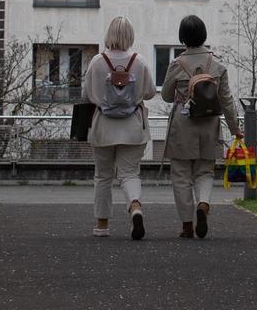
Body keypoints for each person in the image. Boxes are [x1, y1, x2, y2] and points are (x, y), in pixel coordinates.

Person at [160, 15, 241, 239]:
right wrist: (235, 129)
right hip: (209, 125)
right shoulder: (217, 65)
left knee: (181, 175)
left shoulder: (176, 64)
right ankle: (203, 205)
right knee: (205, 171)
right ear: (204, 34)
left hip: (182, 126)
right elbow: (226, 101)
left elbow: (166, 96)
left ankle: (187, 225)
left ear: (182, 37)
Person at [84, 16, 156, 240]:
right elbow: (151, 92)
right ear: (130, 35)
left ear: (109, 34)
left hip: (103, 127)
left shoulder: (97, 62)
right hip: (133, 128)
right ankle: (135, 207)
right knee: (129, 174)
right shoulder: (140, 62)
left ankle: (102, 224)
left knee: (103, 176)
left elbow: (86, 95)